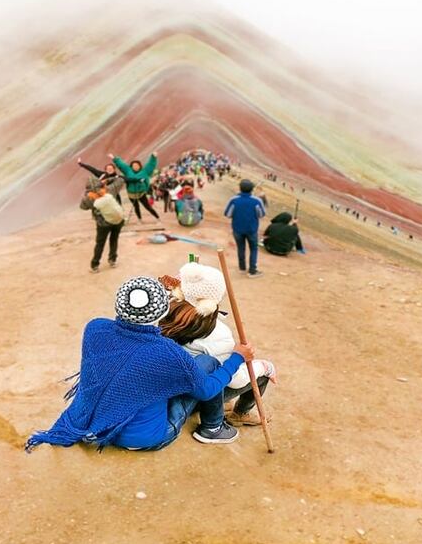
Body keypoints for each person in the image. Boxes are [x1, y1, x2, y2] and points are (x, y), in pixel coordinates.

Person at [25, 277, 255, 451]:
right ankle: (213, 428)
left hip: (95, 424)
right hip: (142, 438)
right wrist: (237, 357)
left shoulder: (95, 328)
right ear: (164, 310)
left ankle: (211, 426)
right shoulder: (167, 352)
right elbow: (207, 391)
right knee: (206, 363)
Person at [159, 263, 276, 426]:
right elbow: (236, 380)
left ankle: (222, 405)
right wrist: (264, 367)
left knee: (207, 367)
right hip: (192, 396)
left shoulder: (161, 309)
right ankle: (239, 414)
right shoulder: (217, 333)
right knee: (260, 372)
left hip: (165, 389)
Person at [80, 174, 125, 273]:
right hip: (117, 220)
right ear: (100, 183)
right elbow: (121, 180)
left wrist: (86, 194)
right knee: (114, 239)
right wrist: (107, 180)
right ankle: (112, 260)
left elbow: (83, 207)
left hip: (102, 223)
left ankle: (95, 265)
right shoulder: (109, 190)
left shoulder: (89, 197)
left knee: (100, 243)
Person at [225, 179, 266, 277]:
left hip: (237, 229)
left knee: (241, 248)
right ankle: (252, 271)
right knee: (253, 249)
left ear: (240, 188)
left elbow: (227, 214)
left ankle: (242, 268)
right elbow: (261, 214)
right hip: (251, 230)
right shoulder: (257, 201)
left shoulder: (234, 200)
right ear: (252, 189)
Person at [112, 153, 160, 222]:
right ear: (131, 166)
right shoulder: (128, 171)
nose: (135, 167)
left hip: (141, 193)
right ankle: (139, 219)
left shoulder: (145, 171)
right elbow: (122, 165)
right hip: (131, 194)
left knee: (147, 206)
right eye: (134, 165)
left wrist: (153, 157)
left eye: (137, 165)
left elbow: (150, 165)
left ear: (140, 166)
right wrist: (115, 159)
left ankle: (157, 218)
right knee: (136, 207)